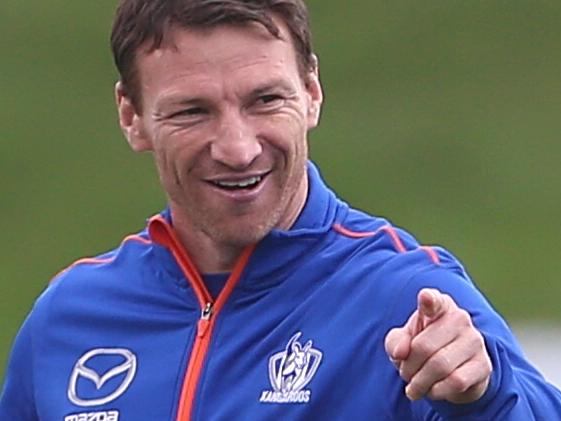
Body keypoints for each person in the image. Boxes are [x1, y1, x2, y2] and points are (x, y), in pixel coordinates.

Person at [1, 0, 560, 420]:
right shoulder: (70, 319)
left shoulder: (405, 299)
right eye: (192, 111)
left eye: (265, 100)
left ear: (312, 91)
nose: (238, 148)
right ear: (132, 116)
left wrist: (486, 397)